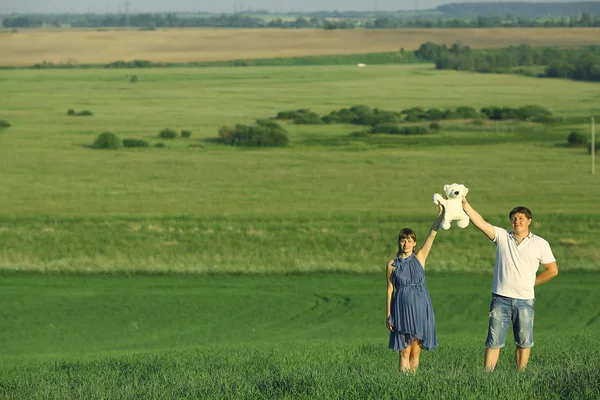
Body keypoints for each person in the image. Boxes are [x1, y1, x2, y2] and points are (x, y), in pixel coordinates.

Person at [461, 197, 558, 372]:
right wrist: (465, 205)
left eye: (521, 218)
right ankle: (487, 376)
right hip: (501, 298)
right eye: (514, 219)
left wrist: (532, 282)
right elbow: (480, 223)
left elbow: (552, 270)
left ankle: (520, 375)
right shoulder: (502, 236)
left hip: (525, 300)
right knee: (494, 341)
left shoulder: (540, 244)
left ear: (529, 221)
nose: (517, 221)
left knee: (524, 341)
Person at [386, 205, 444, 373]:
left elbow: (432, 235)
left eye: (409, 240)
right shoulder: (392, 264)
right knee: (404, 351)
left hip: (421, 307)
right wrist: (388, 314)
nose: (406, 243)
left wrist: (440, 216)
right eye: (403, 240)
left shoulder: (420, 257)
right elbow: (390, 289)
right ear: (399, 242)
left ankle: (413, 381)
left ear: (414, 243)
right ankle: (403, 383)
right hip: (401, 308)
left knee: (415, 352)